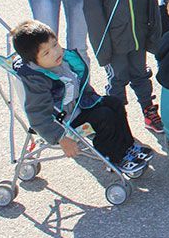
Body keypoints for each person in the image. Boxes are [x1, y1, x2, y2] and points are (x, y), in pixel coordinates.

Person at [11, 20, 150, 175]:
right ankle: (114, 157)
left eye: (55, 44)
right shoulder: (38, 80)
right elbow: (37, 115)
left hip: (78, 106)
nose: (56, 52)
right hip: (64, 123)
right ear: (34, 61)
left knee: (114, 103)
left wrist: (94, 98)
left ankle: (127, 147)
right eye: (46, 52)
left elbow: (78, 84)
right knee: (104, 116)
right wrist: (61, 138)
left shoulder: (59, 62)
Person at [84, 0, 164, 133]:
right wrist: (102, 47)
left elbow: (151, 4)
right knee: (117, 79)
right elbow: (93, 14)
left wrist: (153, 36)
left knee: (141, 74)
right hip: (113, 42)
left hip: (138, 37)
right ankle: (118, 117)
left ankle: (149, 111)